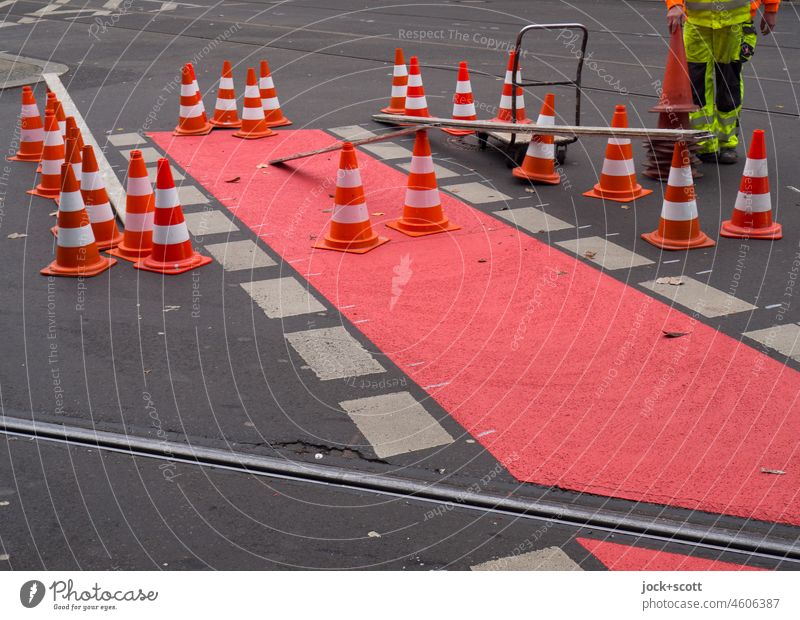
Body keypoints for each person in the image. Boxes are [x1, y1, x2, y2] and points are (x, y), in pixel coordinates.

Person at [665, 0, 780, 164]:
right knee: (696, 85)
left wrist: (771, 8)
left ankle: (727, 143)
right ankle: (703, 144)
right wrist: (675, 4)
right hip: (697, 22)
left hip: (734, 22)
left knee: (728, 84)